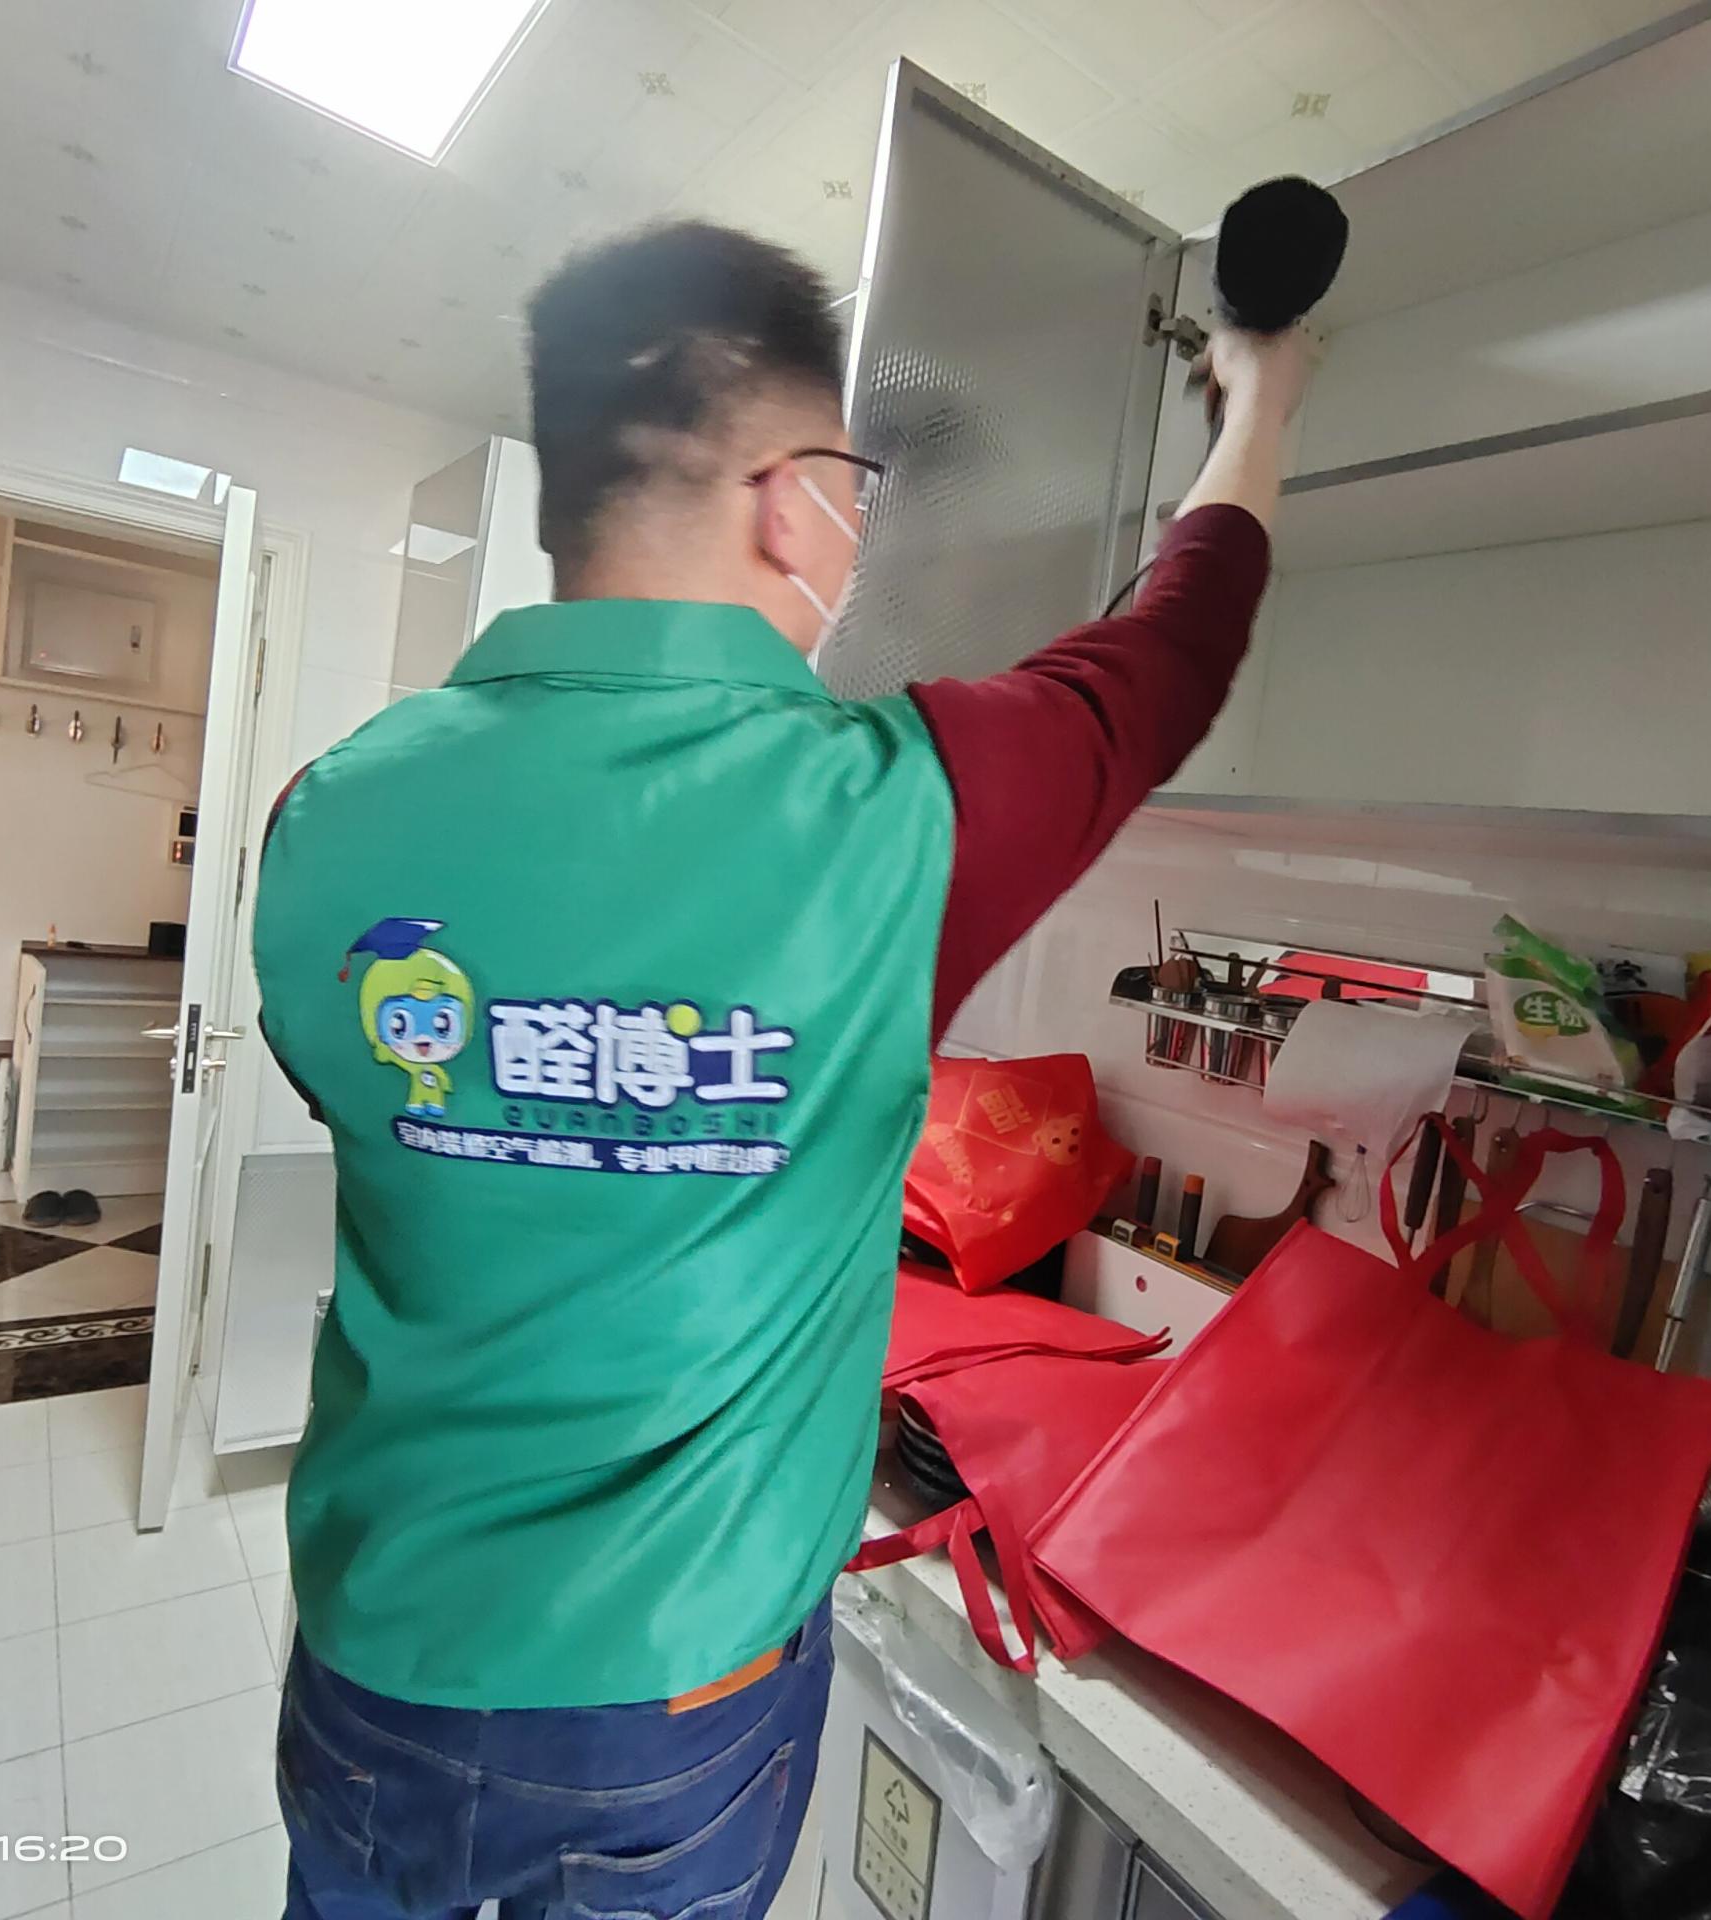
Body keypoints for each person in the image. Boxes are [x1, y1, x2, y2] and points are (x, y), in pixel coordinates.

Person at [252, 219, 1308, 1920]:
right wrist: (1256, 404)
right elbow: (1169, 654)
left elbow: (363, 1107)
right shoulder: (902, 810)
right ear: (789, 499)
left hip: (376, 1663)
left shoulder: (325, 811)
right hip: (674, 1708)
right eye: (856, 487)